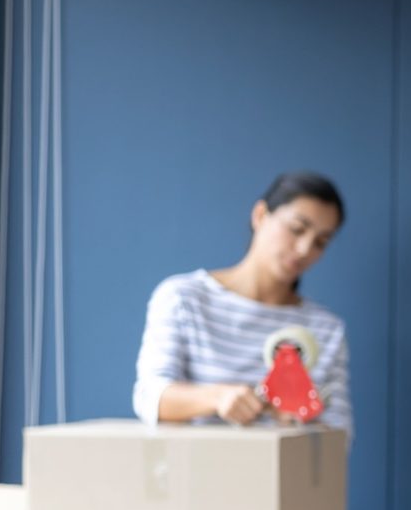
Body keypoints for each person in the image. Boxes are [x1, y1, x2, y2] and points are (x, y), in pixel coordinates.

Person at [133, 171, 352, 435]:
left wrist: (298, 421)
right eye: (296, 229)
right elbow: (150, 397)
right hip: (194, 472)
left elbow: (340, 435)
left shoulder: (326, 329)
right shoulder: (183, 298)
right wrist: (218, 398)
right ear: (260, 215)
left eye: (320, 242)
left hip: (287, 475)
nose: (305, 249)